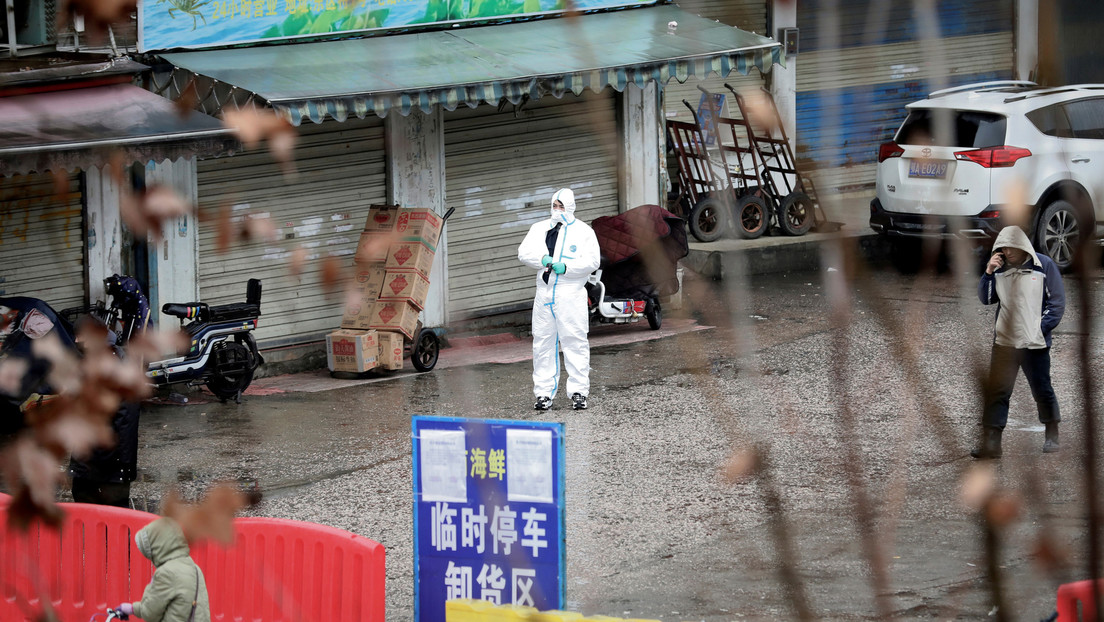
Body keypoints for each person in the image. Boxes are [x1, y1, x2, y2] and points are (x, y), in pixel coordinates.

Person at [972, 225, 1065, 459]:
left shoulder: (1044, 266)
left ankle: (1052, 434)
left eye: (1011, 247)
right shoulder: (1000, 268)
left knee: (1042, 390)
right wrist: (989, 272)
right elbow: (986, 299)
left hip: (1034, 343)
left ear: (1023, 246)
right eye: (1002, 247)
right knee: (997, 392)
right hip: (1004, 342)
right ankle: (992, 443)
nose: (1007, 251)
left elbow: (1057, 305)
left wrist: (1037, 330)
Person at [517, 188, 601, 411]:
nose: (557, 210)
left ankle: (579, 393)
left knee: (575, 343)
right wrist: (541, 258)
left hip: (570, 294)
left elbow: (593, 261)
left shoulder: (583, 232)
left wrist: (568, 268)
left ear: (571, 206)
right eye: (555, 205)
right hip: (544, 294)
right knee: (542, 344)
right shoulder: (540, 228)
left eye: (561, 206)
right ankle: (543, 394)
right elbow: (523, 252)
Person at [117, 516, 211, 622]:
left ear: (158, 547)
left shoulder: (166, 573)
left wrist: (151, 586)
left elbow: (150, 613)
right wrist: (133, 608)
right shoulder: (194, 568)